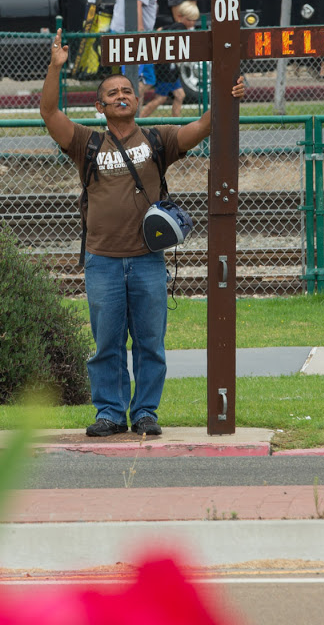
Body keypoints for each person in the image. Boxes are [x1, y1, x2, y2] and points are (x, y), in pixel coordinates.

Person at [40, 28, 244, 437]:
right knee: (107, 346)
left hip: (148, 262)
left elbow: (204, 125)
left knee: (150, 343)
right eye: (112, 92)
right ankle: (110, 414)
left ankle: (146, 412)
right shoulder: (87, 143)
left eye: (127, 91)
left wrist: (229, 93)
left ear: (136, 100)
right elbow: (49, 114)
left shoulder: (157, 139)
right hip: (102, 261)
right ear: (100, 106)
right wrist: (55, 67)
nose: (120, 95)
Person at [110, 0, 174, 111]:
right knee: (133, 80)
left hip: (124, 31)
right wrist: (139, 34)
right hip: (133, 35)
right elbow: (136, 3)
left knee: (146, 79)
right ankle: (117, 111)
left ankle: (130, 115)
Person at [140, 0, 201, 118]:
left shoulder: (174, 26)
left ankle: (176, 123)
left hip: (172, 70)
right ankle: (140, 119)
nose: (192, 23)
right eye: (189, 19)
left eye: (194, 20)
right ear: (180, 17)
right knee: (161, 98)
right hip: (166, 69)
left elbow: (160, 30)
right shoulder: (180, 27)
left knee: (180, 95)